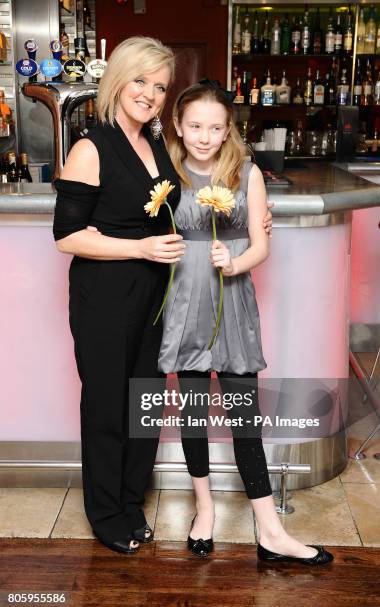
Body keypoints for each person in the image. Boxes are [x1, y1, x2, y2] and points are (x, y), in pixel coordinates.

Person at [158, 80, 334, 565]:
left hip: (230, 307)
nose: (204, 136)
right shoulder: (163, 172)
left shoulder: (246, 173)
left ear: (227, 130)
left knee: (244, 421)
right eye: (194, 125)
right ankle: (205, 512)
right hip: (183, 307)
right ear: (177, 124)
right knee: (192, 414)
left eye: (215, 127)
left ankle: (271, 532)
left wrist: (234, 264)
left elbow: (261, 244)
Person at [53, 37, 185, 554]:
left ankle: (131, 500)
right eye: (140, 80)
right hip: (105, 297)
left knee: (145, 403)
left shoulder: (152, 145)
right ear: (117, 81)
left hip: (154, 295)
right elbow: (67, 236)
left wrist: (249, 210)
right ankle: (106, 512)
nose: (150, 94)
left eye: (159, 86)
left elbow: (173, 207)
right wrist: (142, 248)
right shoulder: (91, 146)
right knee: (109, 405)